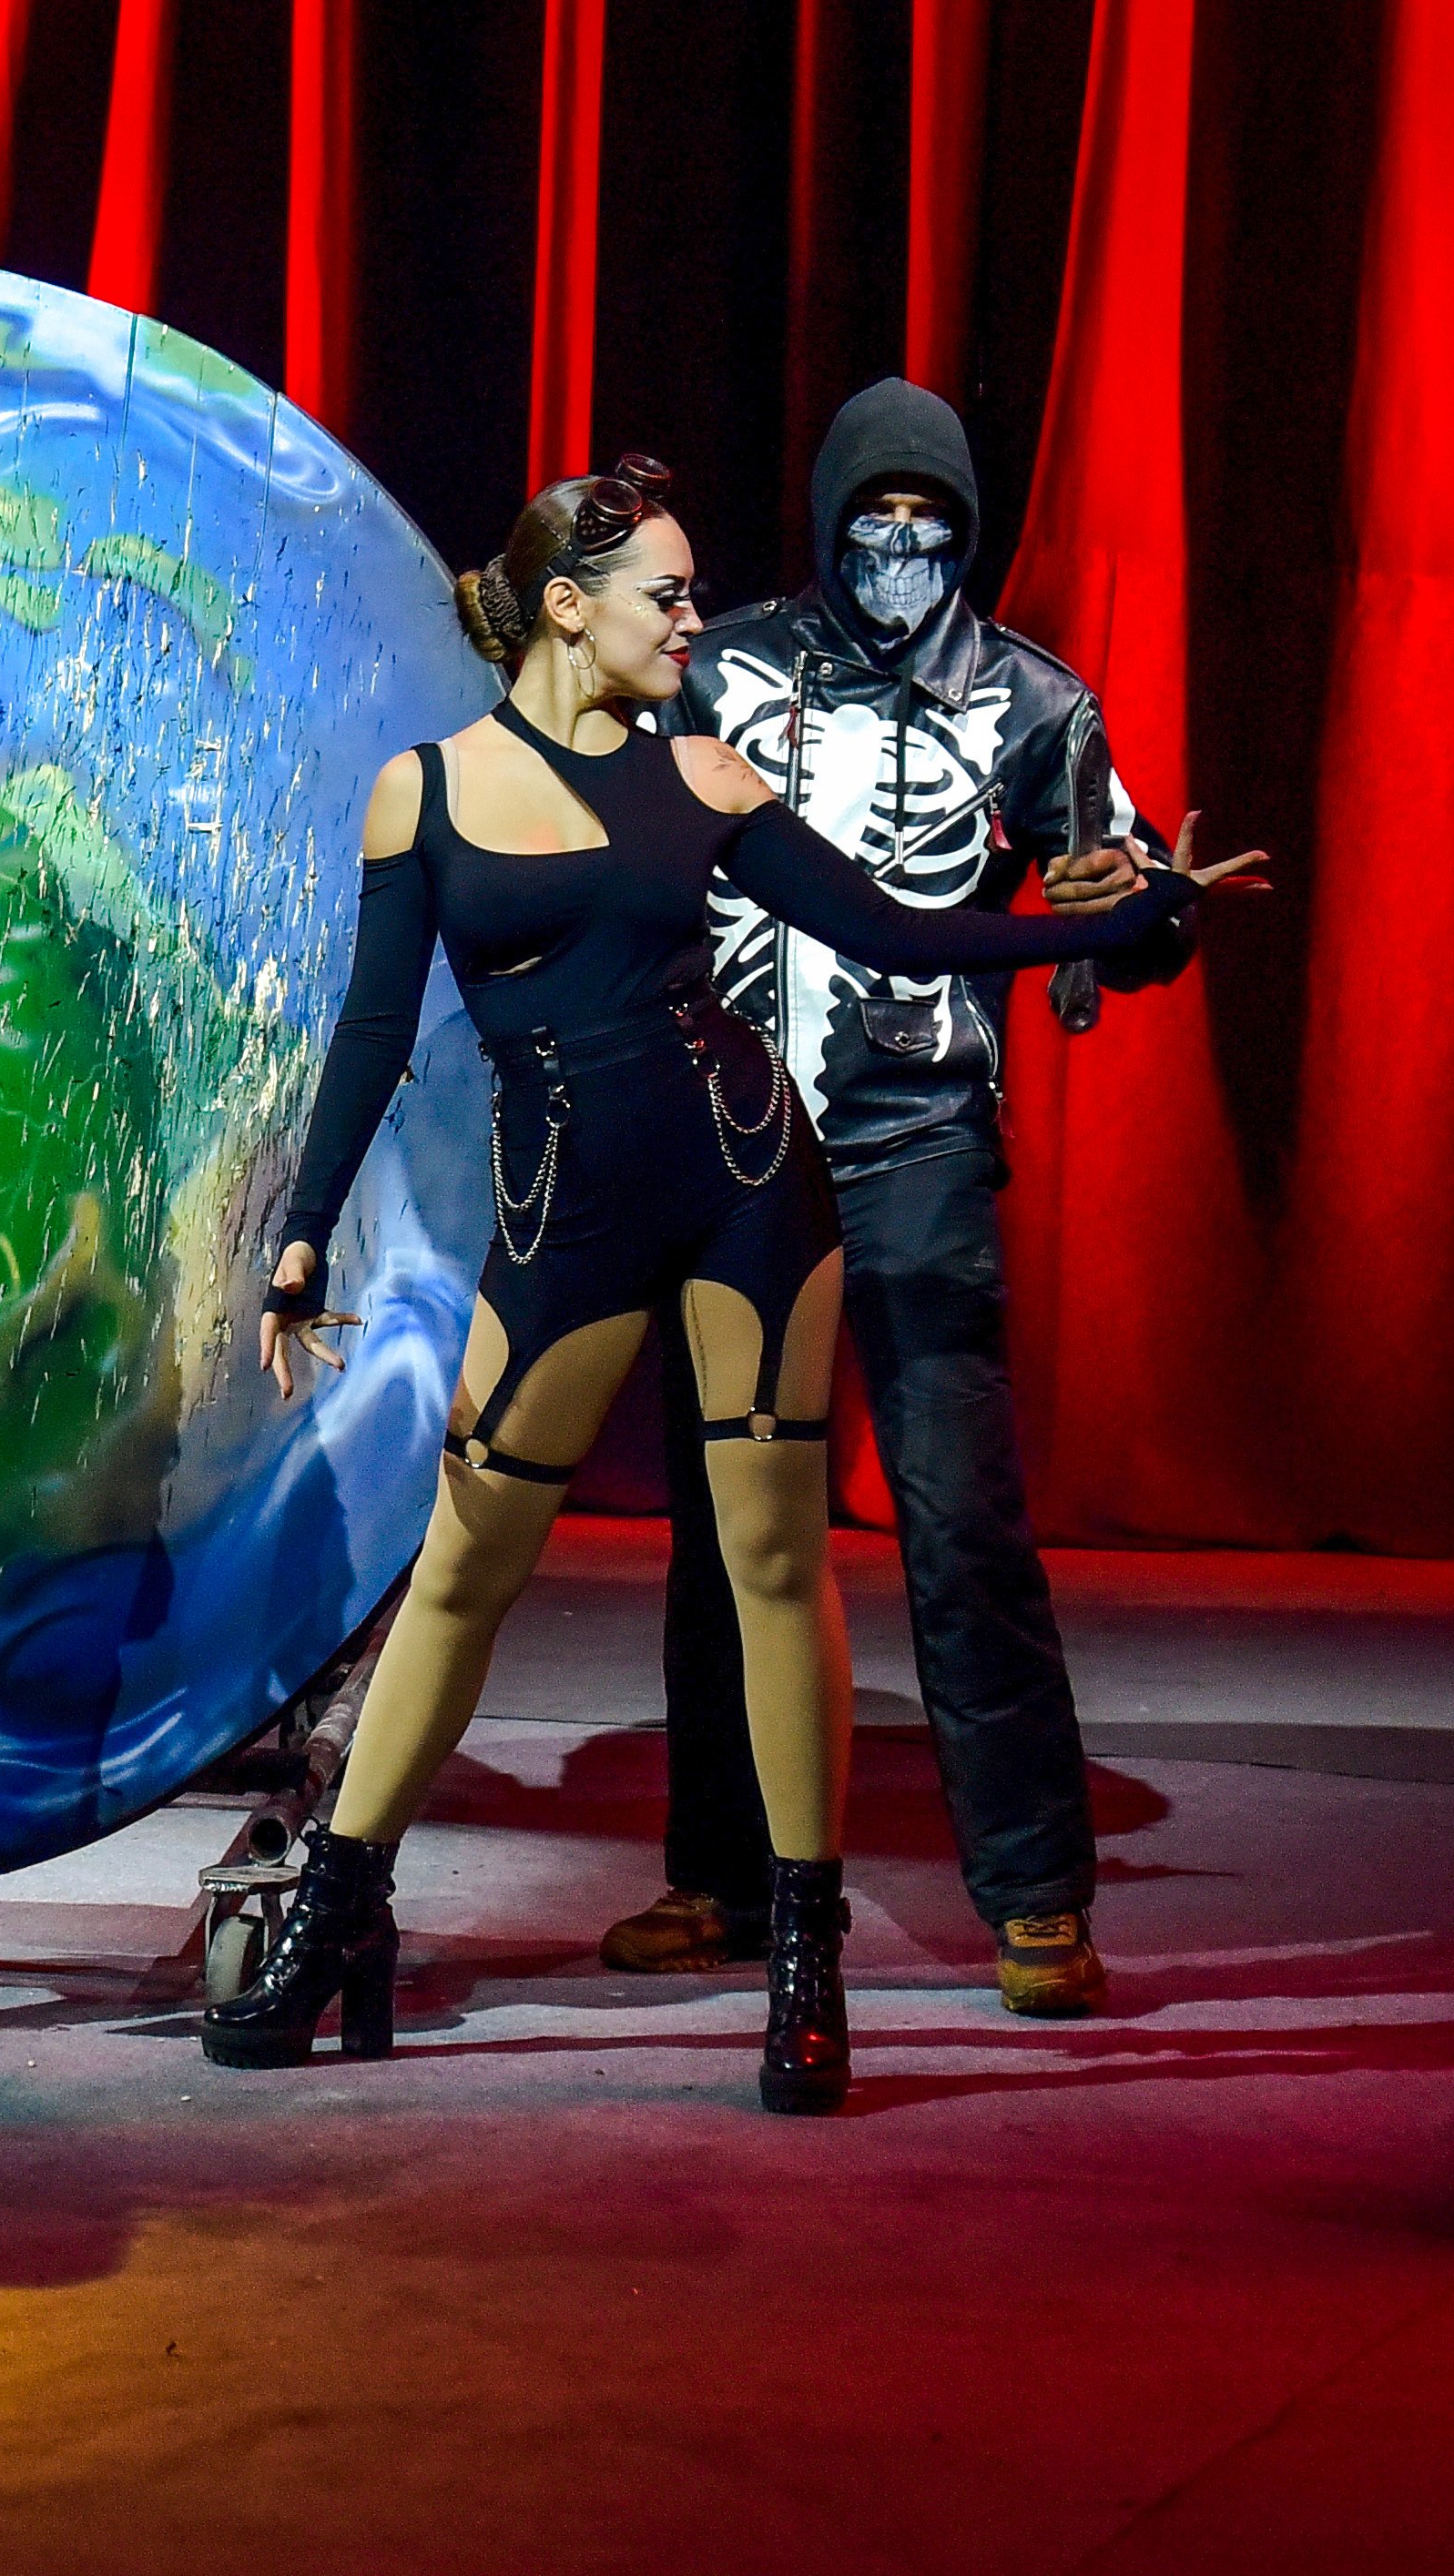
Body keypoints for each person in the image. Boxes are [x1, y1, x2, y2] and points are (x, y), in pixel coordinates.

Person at [235, 458, 1205, 2112]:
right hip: (568, 1212)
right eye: (667, 593)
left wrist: (1101, 934)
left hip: (755, 1183)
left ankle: (805, 1963)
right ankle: (334, 1906)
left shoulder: (708, 778)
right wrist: (305, 1226)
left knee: (773, 1563)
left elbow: (903, 935)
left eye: (690, 592)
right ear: (569, 606)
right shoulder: (429, 792)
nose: (698, 618)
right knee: (465, 1570)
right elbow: (376, 1033)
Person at [605, 379, 1263, 2016]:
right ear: (829, 524)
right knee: (725, 1518)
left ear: (964, 533)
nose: (900, 552)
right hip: (740, 1137)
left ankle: (1037, 1889)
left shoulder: (1035, 703)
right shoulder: (726, 664)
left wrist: (1149, 911)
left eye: (930, 528)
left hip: (915, 1141)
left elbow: (1122, 900)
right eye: (873, 525)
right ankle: (725, 1871)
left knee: (961, 1520)